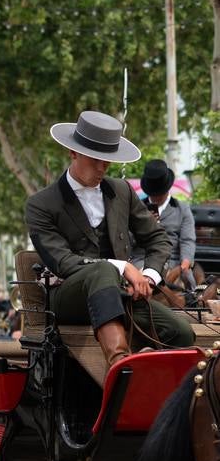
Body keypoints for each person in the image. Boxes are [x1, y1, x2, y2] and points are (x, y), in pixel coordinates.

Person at [25, 110, 194, 372]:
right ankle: (120, 367)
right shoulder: (40, 204)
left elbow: (157, 238)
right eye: (96, 160)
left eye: (108, 161)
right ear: (74, 153)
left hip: (119, 294)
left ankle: (154, 394)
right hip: (69, 297)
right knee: (104, 269)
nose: (103, 168)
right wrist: (122, 267)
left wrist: (148, 276)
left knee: (181, 332)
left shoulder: (121, 190)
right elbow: (63, 262)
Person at [131, 159, 197, 291]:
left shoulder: (182, 209)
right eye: (152, 193)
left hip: (173, 262)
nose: (155, 197)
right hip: (142, 261)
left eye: (158, 193)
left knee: (183, 285)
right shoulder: (137, 208)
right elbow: (127, 240)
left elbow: (187, 240)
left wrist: (186, 262)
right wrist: (146, 225)